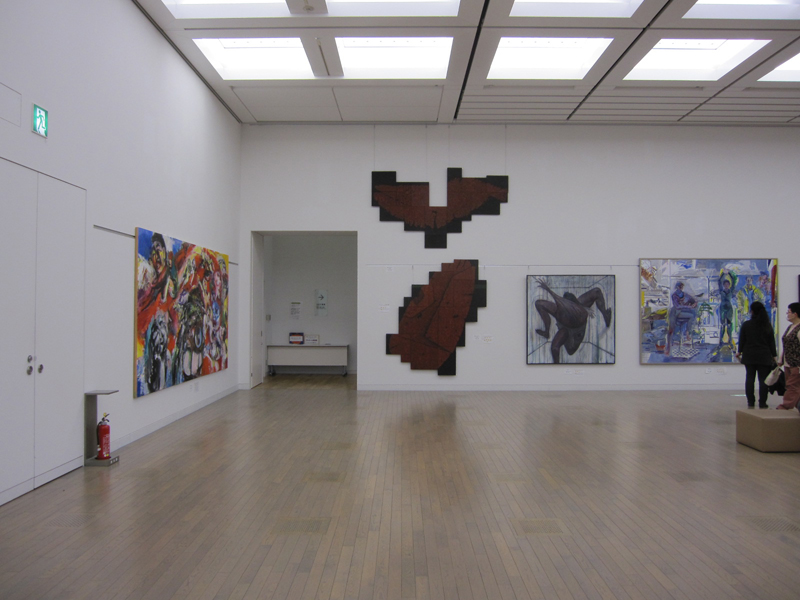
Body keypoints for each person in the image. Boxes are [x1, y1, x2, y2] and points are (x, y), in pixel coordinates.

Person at [533, 277, 612, 364]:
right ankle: (546, 332)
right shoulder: (562, 312)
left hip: (574, 327)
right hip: (568, 324)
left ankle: (606, 316)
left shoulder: (579, 313)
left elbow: (557, 348)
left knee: (596, 291)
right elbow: (555, 348)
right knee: (539, 303)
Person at [735, 301, 777, 408]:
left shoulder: (746, 325)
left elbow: (742, 340)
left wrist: (739, 352)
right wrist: (774, 356)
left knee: (750, 379)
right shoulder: (767, 325)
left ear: (752, 311)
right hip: (764, 355)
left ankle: (750, 402)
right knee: (763, 380)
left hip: (749, 355)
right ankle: (762, 402)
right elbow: (771, 342)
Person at [776, 302, 800, 411]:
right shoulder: (790, 327)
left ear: (795, 314)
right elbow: (786, 345)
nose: (787, 314)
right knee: (791, 385)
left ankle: (785, 406)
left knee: (792, 386)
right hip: (788, 363)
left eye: (789, 312)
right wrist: (781, 358)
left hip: (796, 364)